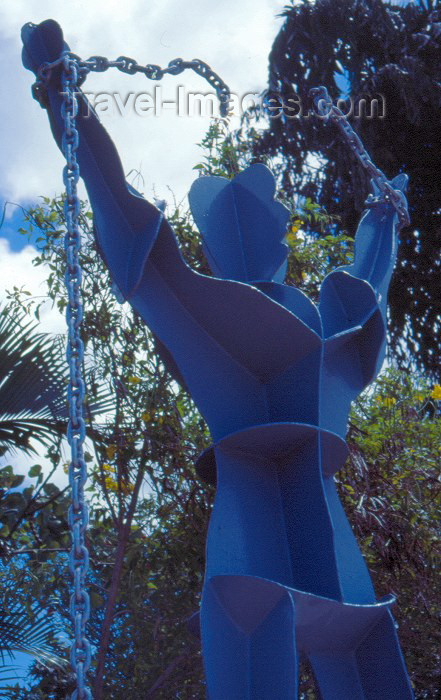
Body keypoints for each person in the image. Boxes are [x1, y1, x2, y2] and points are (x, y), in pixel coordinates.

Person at [22, 20, 414, 699]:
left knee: (335, 630)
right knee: (289, 619)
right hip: (261, 528)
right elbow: (136, 233)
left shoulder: (317, 328)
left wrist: (383, 223)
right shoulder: (218, 314)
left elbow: (367, 283)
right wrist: (69, 109)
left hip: (279, 538)